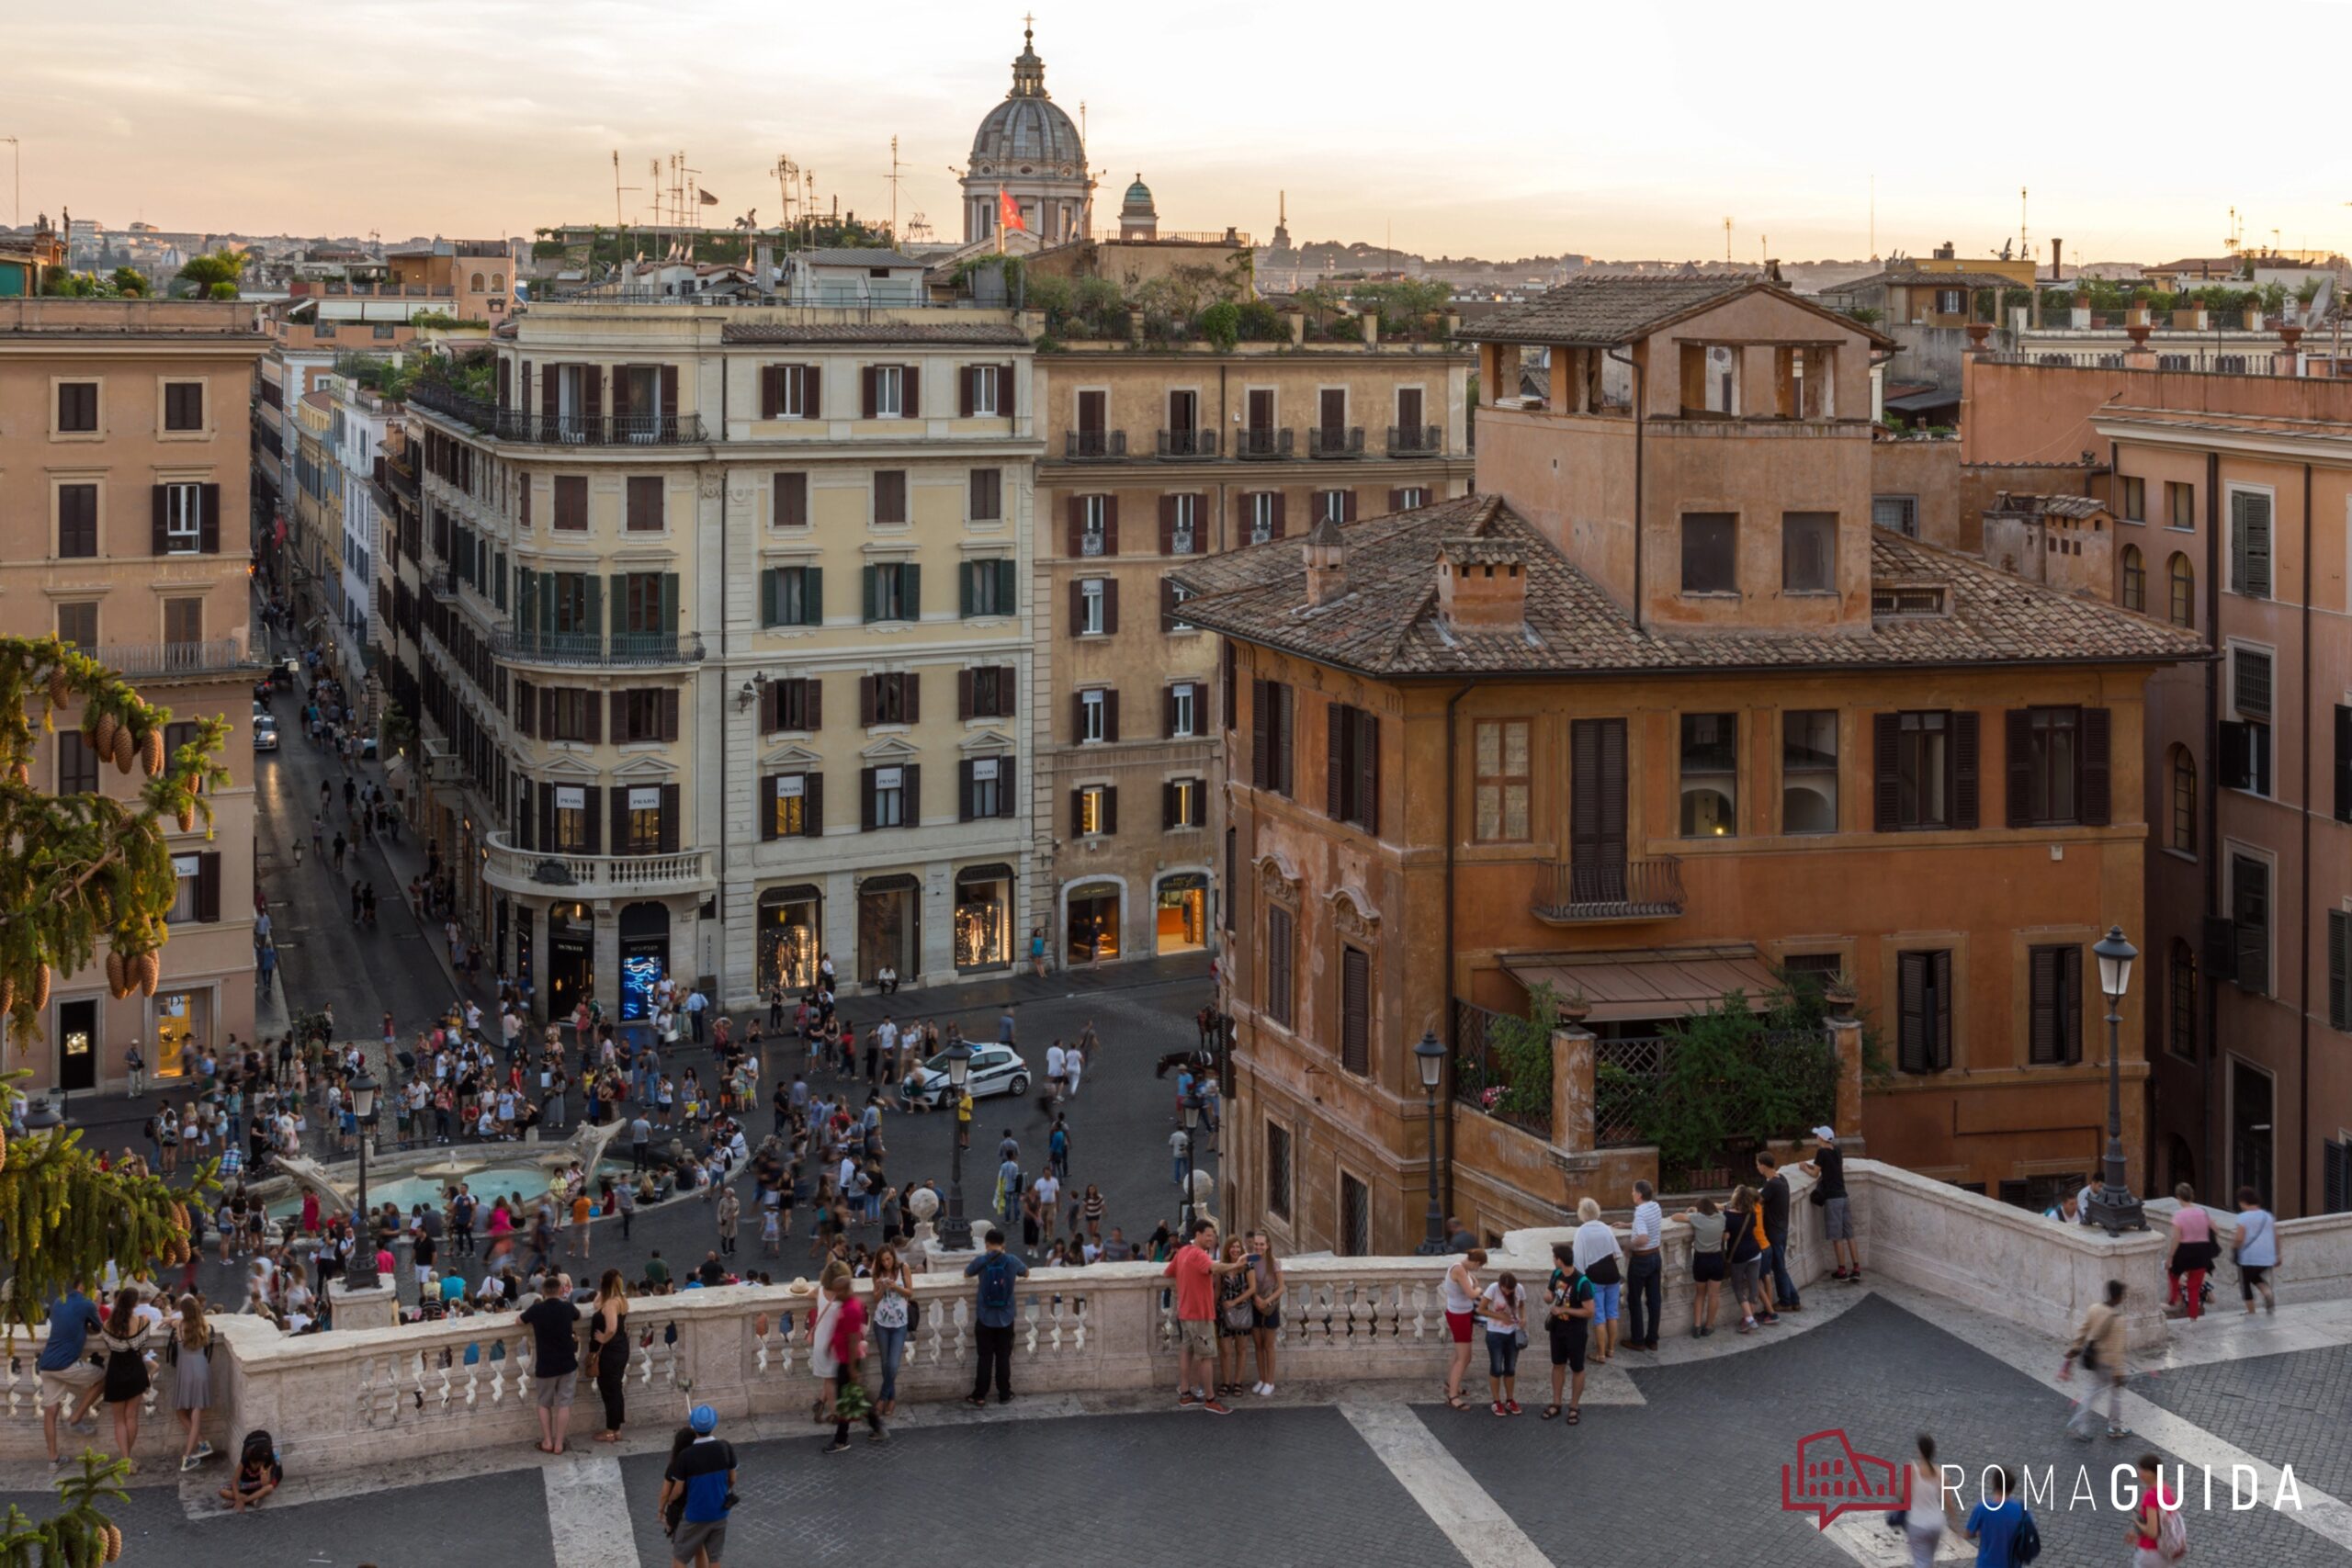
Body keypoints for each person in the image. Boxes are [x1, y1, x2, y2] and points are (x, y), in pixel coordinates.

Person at [1164, 1217, 1244, 1414]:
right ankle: (1210, 1399)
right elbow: (1215, 1268)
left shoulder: (1183, 1252)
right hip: (1200, 1314)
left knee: (1186, 1352)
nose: (1212, 1239)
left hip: (1185, 1312)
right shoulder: (1199, 1255)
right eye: (1208, 1235)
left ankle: (1185, 1394)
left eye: (1213, 1236)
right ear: (1197, 1235)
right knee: (1206, 1357)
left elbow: (1168, 1272)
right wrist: (1235, 1265)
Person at [661, 1404, 736, 1568]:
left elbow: (678, 1490)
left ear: (693, 1427)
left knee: (679, 1558)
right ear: (714, 1425)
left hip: (696, 1514)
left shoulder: (686, 1456)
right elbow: (732, 1479)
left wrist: (670, 1501)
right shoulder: (725, 1447)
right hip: (720, 1512)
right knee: (714, 1558)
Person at [40, 1286, 106, 1471]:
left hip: (46, 1364)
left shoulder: (59, 1299)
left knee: (50, 1412)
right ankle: (75, 1419)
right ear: (86, 1286)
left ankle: (53, 1459)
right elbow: (99, 1328)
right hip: (66, 1364)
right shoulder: (87, 1304)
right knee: (105, 1377)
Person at [820, 1269, 886, 1453]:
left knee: (846, 1400)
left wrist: (851, 1368)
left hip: (849, 1361)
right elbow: (842, 1332)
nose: (835, 1294)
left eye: (838, 1291)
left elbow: (851, 1339)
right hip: (846, 1359)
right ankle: (876, 1426)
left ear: (846, 1289)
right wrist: (831, 1344)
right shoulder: (847, 1305)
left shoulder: (851, 1309)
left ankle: (842, 1440)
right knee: (856, 1397)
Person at [963, 1228, 1029, 1405]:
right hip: (1006, 1318)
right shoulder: (1012, 1260)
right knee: (1003, 1357)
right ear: (1003, 1244)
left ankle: (980, 1395)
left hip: (985, 1317)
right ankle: (1004, 1393)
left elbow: (967, 1273)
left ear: (987, 1244)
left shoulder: (983, 1260)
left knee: (984, 1357)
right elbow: (1026, 1272)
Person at [2060, 1278, 2130, 1440]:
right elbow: (2117, 1349)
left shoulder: (2094, 1309)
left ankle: (2080, 1425)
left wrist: (2075, 1348)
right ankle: (2114, 1427)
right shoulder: (2119, 1320)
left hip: (2095, 1359)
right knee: (2114, 1395)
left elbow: (2083, 1330)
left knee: (2091, 1393)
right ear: (2118, 1297)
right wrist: (2119, 1372)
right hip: (2110, 1364)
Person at [521, 1270, 582, 1455]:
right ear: (561, 1290)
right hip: (567, 1363)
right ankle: (559, 1444)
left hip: (546, 1364)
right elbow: (579, 1317)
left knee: (544, 1403)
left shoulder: (537, 1309)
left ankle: (547, 1441)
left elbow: (519, 1320)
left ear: (543, 1291)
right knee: (565, 1404)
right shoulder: (567, 1308)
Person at [96, 1287, 153, 1468]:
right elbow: (142, 1343)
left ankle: (125, 1459)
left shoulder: (107, 1325)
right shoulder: (142, 1321)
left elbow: (108, 1343)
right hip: (136, 1371)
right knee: (131, 1417)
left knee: (119, 1420)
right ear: (135, 1303)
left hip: (116, 1372)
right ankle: (129, 1459)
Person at [1539, 1243, 1596, 1424]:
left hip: (1575, 1331)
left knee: (1577, 1368)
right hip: (1558, 1329)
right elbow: (1550, 1292)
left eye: (1553, 1257)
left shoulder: (1582, 1282)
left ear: (1559, 1260)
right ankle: (1556, 1402)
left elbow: (1589, 1311)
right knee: (1557, 1365)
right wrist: (1548, 1296)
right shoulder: (1556, 1274)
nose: (1552, 1260)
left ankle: (1574, 1406)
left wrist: (1564, 1310)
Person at [1801, 1125, 1860, 1283]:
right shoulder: (1837, 1150)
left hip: (1832, 1199)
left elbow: (1814, 1174)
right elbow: (1828, 1168)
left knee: (1837, 1236)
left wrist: (1804, 1167)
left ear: (1821, 1138)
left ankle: (1842, 1270)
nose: (1816, 1139)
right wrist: (1814, 1167)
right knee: (1849, 1234)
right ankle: (1856, 1268)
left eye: (1817, 1136)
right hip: (1843, 1195)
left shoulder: (1821, 1152)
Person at [1570, 1198, 1623, 1361]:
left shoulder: (1582, 1231)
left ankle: (1600, 1354)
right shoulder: (1605, 1228)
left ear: (1582, 1213)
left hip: (1595, 1277)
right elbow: (1617, 1254)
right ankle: (1611, 1350)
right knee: (1612, 1314)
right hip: (1612, 1275)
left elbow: (1577, 1260)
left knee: (1599, 1316)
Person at [1754, 1151, 1802, 1314]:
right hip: (1781, 1229)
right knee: (1780, 1266)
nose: (1757, 1167)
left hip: (1773, 1232)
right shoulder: (1782, 1179)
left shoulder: (1771, 1185)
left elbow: (1756, 1201)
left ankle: (1786, 1302)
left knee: (1779, 1267)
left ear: (1763, 1165)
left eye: (1757, 1164)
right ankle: (1794, 1300)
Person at [869, 1245, 913, 1419]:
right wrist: (881, 1287)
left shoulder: (904, 1268)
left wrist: (895, 1287)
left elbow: (910, 1292)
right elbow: (875, 1298)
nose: (886, 1263)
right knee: (885, 1363)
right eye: (883, 1261)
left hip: (899, 1324)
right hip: (881, 1322)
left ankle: (882, 1398)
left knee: (893, 1364)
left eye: (889, 1259)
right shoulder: (877, 1272)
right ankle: (892, 1399)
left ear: (894, 1258)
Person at [2165, 1183, 2218, 1321]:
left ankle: (2175, 1299)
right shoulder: (2202, 1212)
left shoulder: (2178, 1215)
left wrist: (2170, 1256)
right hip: (2202, 1252)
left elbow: (2176, 1238)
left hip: (2185, 1251)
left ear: (2178, 1197)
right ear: (2192, 1196)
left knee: (2172, 1272)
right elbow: (2216, 1229)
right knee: (2194, 1288)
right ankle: (2193, 1320)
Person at [1962, 1464, 2031, 1568]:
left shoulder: (1982, 1509)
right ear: (2011, 1487)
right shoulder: (2022, 1511)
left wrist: (1979, 1532)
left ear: (1994, 1483)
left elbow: (1968, 1534)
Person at [1477, 1269, 1526, 1416]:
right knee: (1496, 1368)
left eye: (1511, 1290)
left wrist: (1523, 1318)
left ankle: (1510, 1399)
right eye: (1506, 1290)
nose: (1509, 1292)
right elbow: (1481, 1309)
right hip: (1495, 1334)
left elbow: (1522, 1305)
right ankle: (1496, 1401)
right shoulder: (1493, 1288)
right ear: (1501, 1286)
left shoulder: (1519, 1289)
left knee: (1510, 1368)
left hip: (1513, 1333)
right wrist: (1499, 1316)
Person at [1441, 1247, 1484, 1410]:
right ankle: (1453, 1396)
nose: (1477, 1270)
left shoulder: (1462, 1268)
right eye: (1479, 1267)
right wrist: (1479, 1290)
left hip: (1462, 1315)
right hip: (1459, 1316)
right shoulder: (1459, 1270)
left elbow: (1472, 1283)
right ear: (1477, 1262)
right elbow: (1472, 1294)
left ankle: (1450, 1384)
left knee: (1460, 1354)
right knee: (1464, 1357)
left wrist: (1475, 1284)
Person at [589, 1269, 629, 1443]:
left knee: (609, 1390)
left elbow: (611, 1328)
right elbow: (596, 1305)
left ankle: (610, 1432)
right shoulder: (621, 1299)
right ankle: (616, 1429)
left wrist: (603, 1338)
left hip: (611, 1351)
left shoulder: (611, 1303)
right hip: (621, 1348)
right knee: (615, 1388)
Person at [1679, 1196, 1727, 1336]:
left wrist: (1692, 1212)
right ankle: (1709, 1325)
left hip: (1701, 1260)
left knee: (1700, 1294)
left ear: (1700, 1210)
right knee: (1714, 1295)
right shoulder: (1721, 1219)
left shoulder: (1697, 1219)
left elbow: (1677, 1217)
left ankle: (1697, 1326)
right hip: (1716, 1259)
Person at [1625, 1179, 1664, 1352]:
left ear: (1639, 1195)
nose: (1632, 1194)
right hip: (1656, 1256)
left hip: (1641, 1260)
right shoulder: (1655, 1206)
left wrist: (1629, 1246)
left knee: (1634, 1299)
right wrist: (1628, 1225)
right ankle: (1652, 1339)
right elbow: (1649, 1227)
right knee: (1654, 1299)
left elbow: (1643, 1238)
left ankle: (1638, 1340)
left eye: (1633, 1191)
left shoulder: (1640, 1212)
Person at [1724, 1184, 1770, 1333]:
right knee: (1753, 1287)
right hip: (1755, 1253)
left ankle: (1749, 1319)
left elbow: (1726, 1236)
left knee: (1737, 1287)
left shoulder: (1728, 1216)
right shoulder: (1752, 1214)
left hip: (1739, 1256)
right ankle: (1748, 1318)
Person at [1215, 1235, 1255, 1396]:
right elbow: (1217, 1290)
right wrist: (1212, 1308)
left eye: (1238, 1247)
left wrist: (1234, 1302)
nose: (1235, 1250)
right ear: (1227, 1249)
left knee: (1242, 1349)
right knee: (1225, 1350)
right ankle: (1225, 1382)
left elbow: (1252, 1289)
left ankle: (1238, 1382)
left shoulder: (1248, 1265)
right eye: (1232, 1247)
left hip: (1242, 1311)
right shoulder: (1222, 1267)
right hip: (1224, 1313)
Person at [2132, 1450, 2186, 1567]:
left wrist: (2137, 1523)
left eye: (2143, 1470)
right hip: (2166, 1551)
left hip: (2150, 1552)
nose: (2139, 1473)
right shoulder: (2166, 1489)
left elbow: (2152, 1532)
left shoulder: (2151, 1496)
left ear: (2152, 1473)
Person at [2230, 1185, 2278, 1315]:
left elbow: (2239, 1238)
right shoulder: (2268, 1216)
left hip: (2249, 1257)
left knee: (2245, 1283)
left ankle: (2251, 1311)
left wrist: (2234, 1247)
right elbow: (2276, 1236)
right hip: (2267, 1258)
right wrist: (2278, 1255)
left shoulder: (2243, 1217)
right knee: (2256, 1277)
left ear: (2242, 1201)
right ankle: (2268, 1293)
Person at [1247, 1231, 1284, 1397]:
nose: (1259, 1247)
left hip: (1270, 1306)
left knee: (1269, 1345)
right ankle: (1261, 1379)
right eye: (1256, 1244)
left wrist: (1266, 1301)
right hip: (1255, 1304)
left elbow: (1281, 1287)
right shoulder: (1251, 1260)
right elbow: (1248, 1283)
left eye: (1262, 1244)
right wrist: (1256, 1298)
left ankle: (1270, 1381)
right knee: (1258, 1344)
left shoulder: (1274, 1262)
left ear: (1268, 1245)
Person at [220, 1429, 282, 1513]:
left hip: (258, 1485)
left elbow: (266, 1484)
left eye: (257, 1464)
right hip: (246, 1485)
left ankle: (245, 1500)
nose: (254, 1466)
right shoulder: (246, 1458)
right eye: (253, 1463)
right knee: (222, 1491)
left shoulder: (268, 1462)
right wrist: (238, 1498)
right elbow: (235, 1480)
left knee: (269, 1488)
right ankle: (252, 1501)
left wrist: (263, 1471)